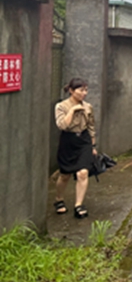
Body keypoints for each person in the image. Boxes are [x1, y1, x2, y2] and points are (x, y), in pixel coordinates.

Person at [54, 78, 97, 219]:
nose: (84, 93)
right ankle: (59, 199)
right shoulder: (61, 106)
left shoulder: (88, 107)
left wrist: (93, 145)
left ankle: (79, 205)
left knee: (83, 173)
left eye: (86, 90)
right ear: (72, 91)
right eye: (81, 90)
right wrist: (72, 111)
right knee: (65, 174)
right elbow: (62, 126)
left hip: (83, 140)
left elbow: (91, 126)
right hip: (68, 140)